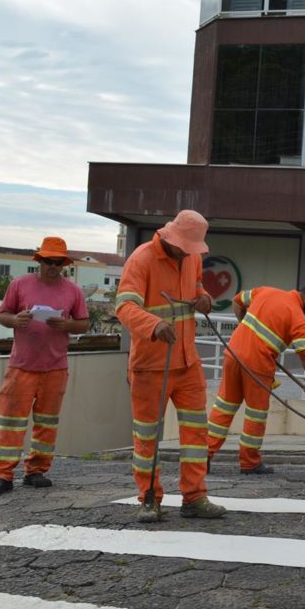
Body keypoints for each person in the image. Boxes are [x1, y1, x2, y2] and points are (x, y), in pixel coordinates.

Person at [115, 210, 226, 523]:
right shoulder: (142, 259)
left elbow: (198, 288)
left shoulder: (191, 257)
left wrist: (203, 298)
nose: (187, 252)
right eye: (184, 247)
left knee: (195, 435)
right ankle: (149, 498)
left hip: (187, 362)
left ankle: (195, 497)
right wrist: (153, 325)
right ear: (170, 236)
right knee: (147, 436)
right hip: (151, 365)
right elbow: (124, 306)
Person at [0, 236, 90, 494]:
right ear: (39, 260)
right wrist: (15, 320)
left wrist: (67, 325)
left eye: (57, 262)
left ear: (63, 264)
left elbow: (84, 323)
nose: (52, 266)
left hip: (55, 367)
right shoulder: (19, 285)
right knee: (11, 422)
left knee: (47, 422)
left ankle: (36, 471)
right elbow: (2, 315)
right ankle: (3, 475)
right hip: (21, 366)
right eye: (47, 261)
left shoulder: (73, 291)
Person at [206, 284, 305, 474]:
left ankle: (203, 455)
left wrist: (245, 328)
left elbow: (237, 301)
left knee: (224, 406)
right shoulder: (298, 316)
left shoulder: (266, 291)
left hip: (233, 354)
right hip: (258, 364)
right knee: (256, 414)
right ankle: (249, 462)